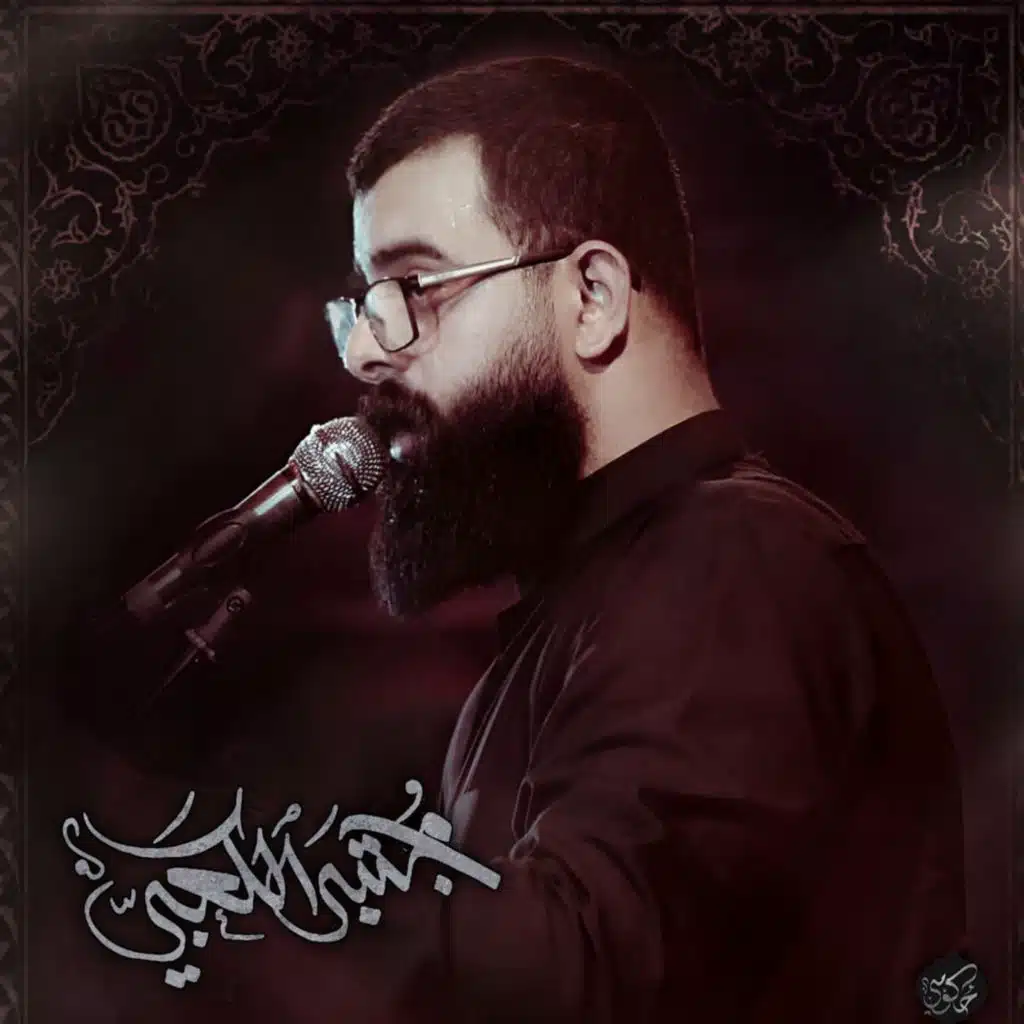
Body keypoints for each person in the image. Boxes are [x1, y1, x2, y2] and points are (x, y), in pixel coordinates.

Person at [328, 53, 966, 1024]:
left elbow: (587, 976)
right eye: (363, 304)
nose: (364, 349)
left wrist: (254, 867)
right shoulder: (583, 616)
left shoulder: (734, 560)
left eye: (414, 285)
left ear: (591, 295)